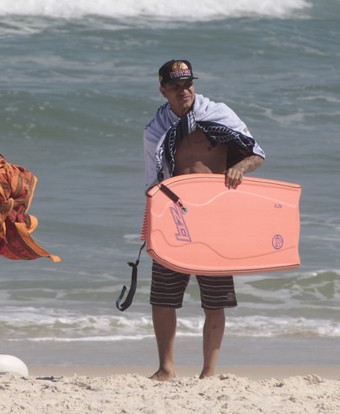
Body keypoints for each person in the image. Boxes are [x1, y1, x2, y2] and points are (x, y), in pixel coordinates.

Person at [143, 60, 265, 381]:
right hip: (174, 217)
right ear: (163, 90)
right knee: (163, 297)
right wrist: (151, 227)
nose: (184, 90)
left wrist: (241, 168)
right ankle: (166, 368)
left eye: (188, 84)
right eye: (175, 86)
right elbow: (153, 183)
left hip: (215, 217)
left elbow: (257, 153)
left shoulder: (218, 114)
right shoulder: (155, 129)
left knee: (214, 299)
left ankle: (208, 373)